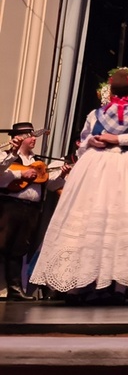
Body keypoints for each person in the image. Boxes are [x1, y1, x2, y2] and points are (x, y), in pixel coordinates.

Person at [29, 68, 128, 304]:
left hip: (92, 168)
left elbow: (83, 142)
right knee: (119, 222)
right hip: (123, 168)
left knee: (88, 220)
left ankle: (79, 287)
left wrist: (92, 141)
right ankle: (118, 288)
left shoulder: (96, 114)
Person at [0, 123, 70, 301]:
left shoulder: (38, 161)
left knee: (18, 249)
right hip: (9, 206)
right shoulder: (5, 156)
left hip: (30, 209)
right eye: (30, 135)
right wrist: (20, 174)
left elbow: (51, 186)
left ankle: (15, 290)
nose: (34, 139)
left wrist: (62, 175)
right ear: (19, 137)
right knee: (2, 245)